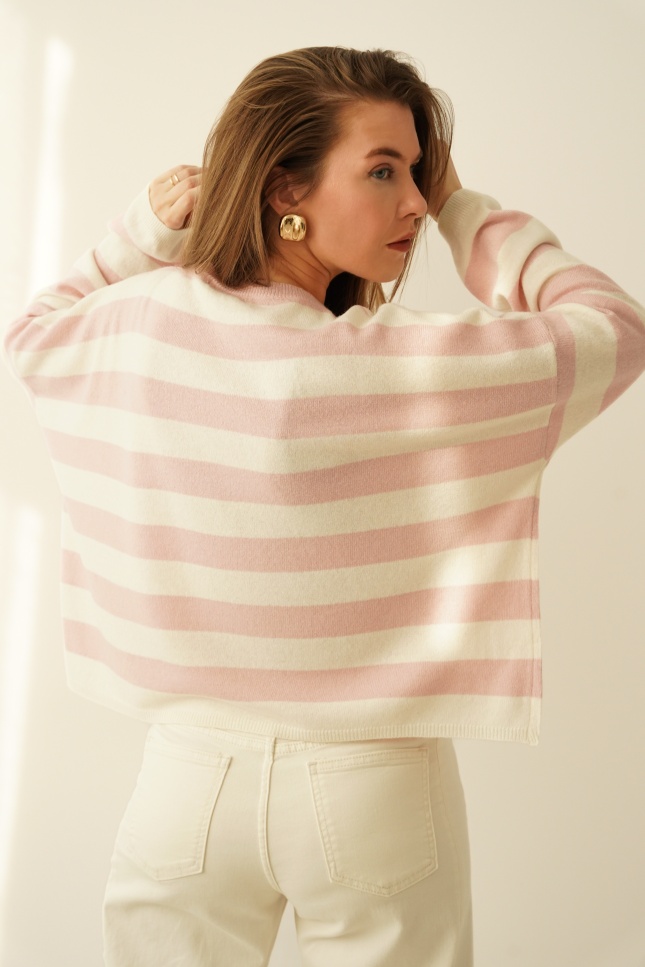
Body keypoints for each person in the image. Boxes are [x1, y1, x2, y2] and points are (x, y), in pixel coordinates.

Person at [3, 45, 644, 967]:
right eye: (384, 170)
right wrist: (465, 209)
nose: (414, 201)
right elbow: (613, 328)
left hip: (186, 788)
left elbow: (30, 335)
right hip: (374, 788)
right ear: (283, 189)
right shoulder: (399, 364)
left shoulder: (137, 327)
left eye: (419, 175)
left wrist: (144, 230)